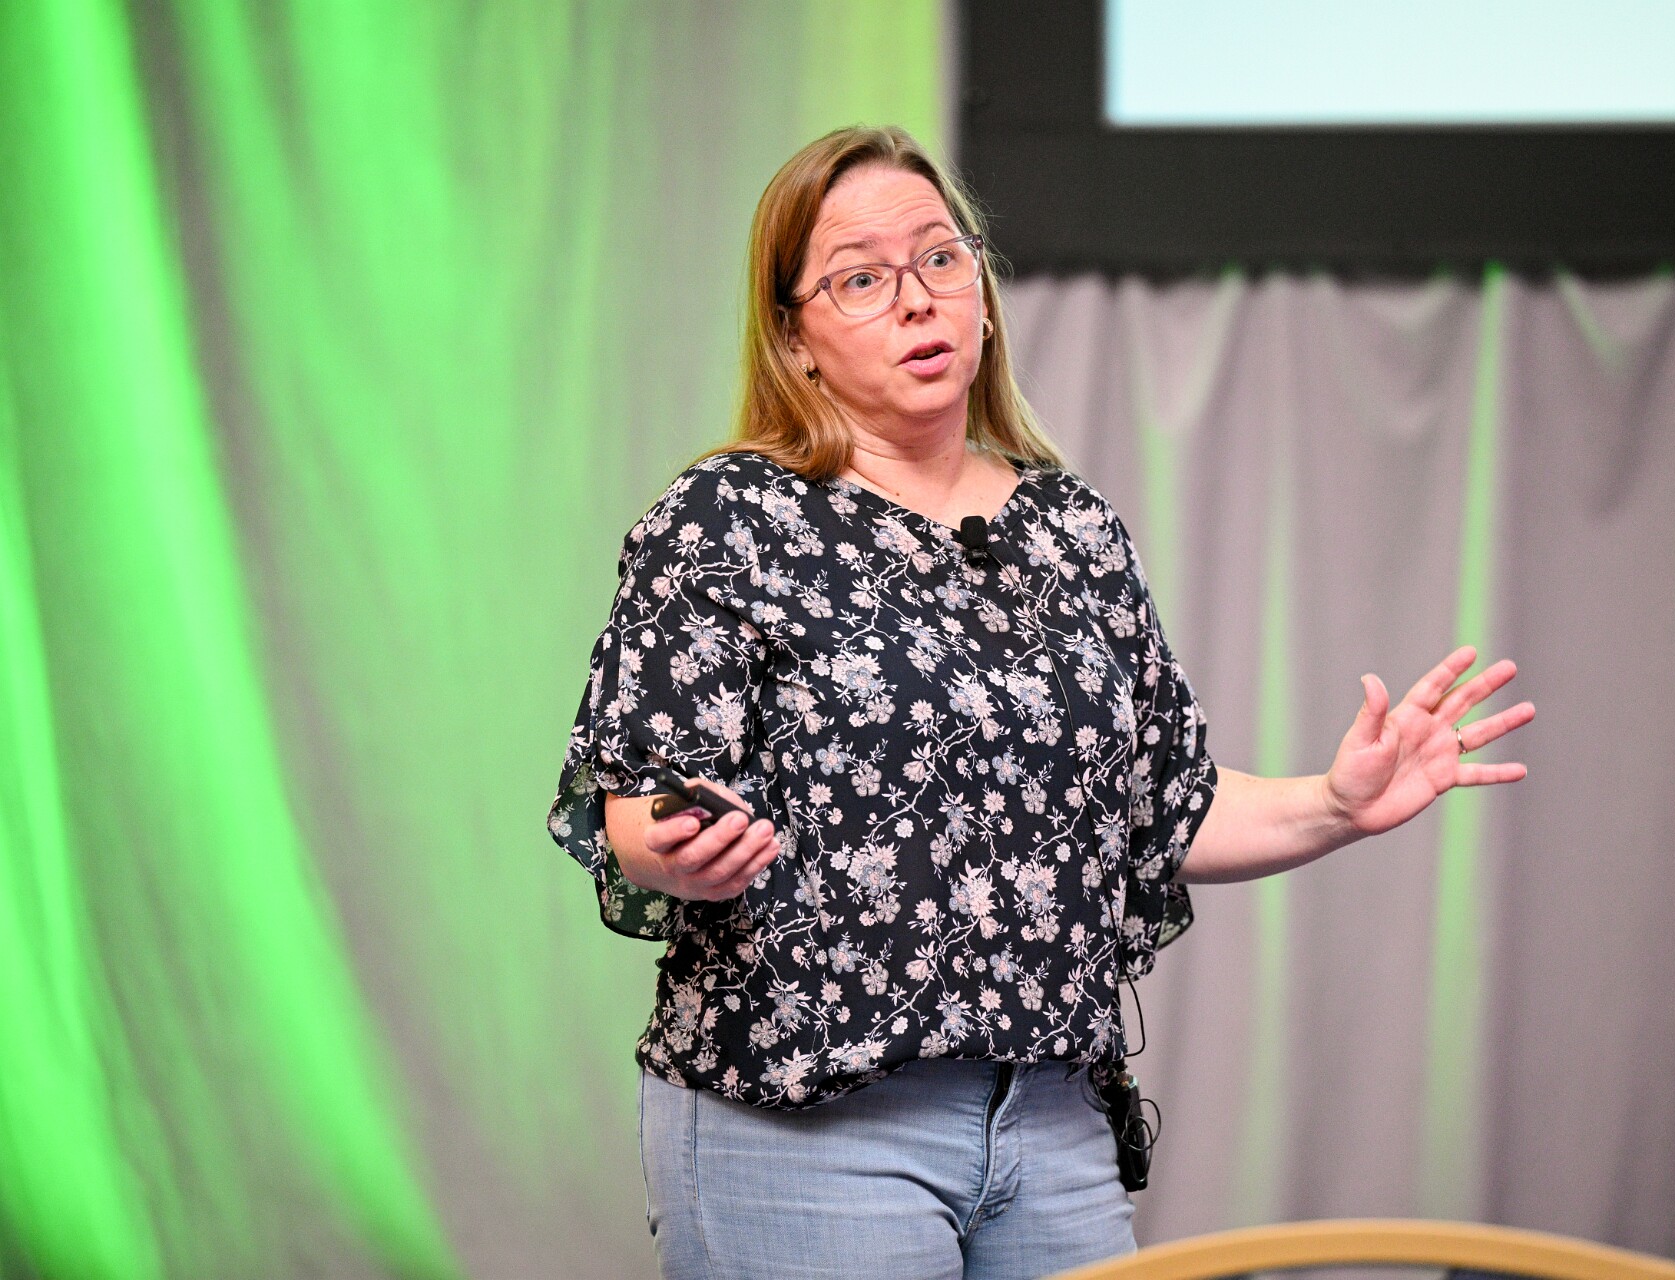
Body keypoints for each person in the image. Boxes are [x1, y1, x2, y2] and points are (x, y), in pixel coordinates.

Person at [547, 125, 1534, 1280]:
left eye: (940, 257)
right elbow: (641, 805)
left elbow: (1161, 809)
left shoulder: (1074, 529)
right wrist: (677, 845)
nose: (916, 298)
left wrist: (1337, 801)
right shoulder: (727, 519)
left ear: (981, 290)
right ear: (795, 338)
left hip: (1050, 1125)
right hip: (806, 1121)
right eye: (861, 278)